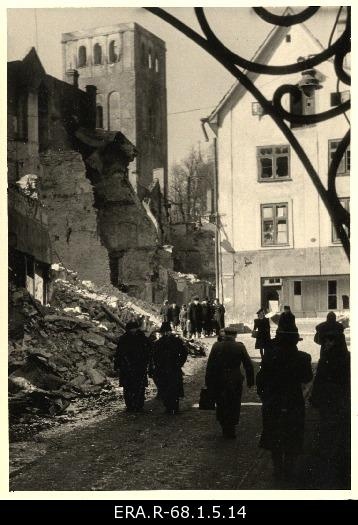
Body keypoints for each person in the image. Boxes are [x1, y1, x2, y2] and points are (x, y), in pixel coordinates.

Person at [256, 316, 313, 484]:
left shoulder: (269, 356)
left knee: (274, 438)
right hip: (294, 402)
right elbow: (307, 377)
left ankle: (277, 470)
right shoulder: (304, 357)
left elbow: (261, 380)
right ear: (296, 340)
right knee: (292, 437)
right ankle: (288, 471)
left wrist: (264, 396)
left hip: (273, 401)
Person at [310, 328, 350, 487]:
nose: (326, 343)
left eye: (330, 341)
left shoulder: (332, 359)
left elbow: (320, 380)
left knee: (332, 430)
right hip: (335, 399)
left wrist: (315, 398)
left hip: (333, 398)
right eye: (325, 340)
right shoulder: (345, 357)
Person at [205, 327, 254, 438]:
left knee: (221, 403)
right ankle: (231, 428)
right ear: (235, 335)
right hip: (235, 379)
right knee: (234, 403)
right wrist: (250, 380)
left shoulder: (216, 346)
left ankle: (224, 426)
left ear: (225, 334)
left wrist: (208, 381)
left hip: (219, 379)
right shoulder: (239, 346)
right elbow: (248, 364)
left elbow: (210, 365)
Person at [114, 321, 152, 413]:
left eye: (134, 328)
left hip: (139, 367)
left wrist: (147, 362)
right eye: (131, 329)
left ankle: (139, 405)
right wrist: (117, 365)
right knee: (128, 388)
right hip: (127, 367)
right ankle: (130, 406)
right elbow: (119, 353)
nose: (133, 330)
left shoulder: (142, 338)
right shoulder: (124, 339)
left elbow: (149, 351)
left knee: (139, 387)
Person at [152, 322, 188, 414]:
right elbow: (154, 356)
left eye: (167, 332)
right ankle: (170, 407)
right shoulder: (159, 343)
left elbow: (184, 353)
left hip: (171, 368)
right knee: (168, 388)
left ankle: (173, 408)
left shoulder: (174, 341)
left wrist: (179, 363)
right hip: (167, 368)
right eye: (164, 332)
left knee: (172, 388)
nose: (166, 334)